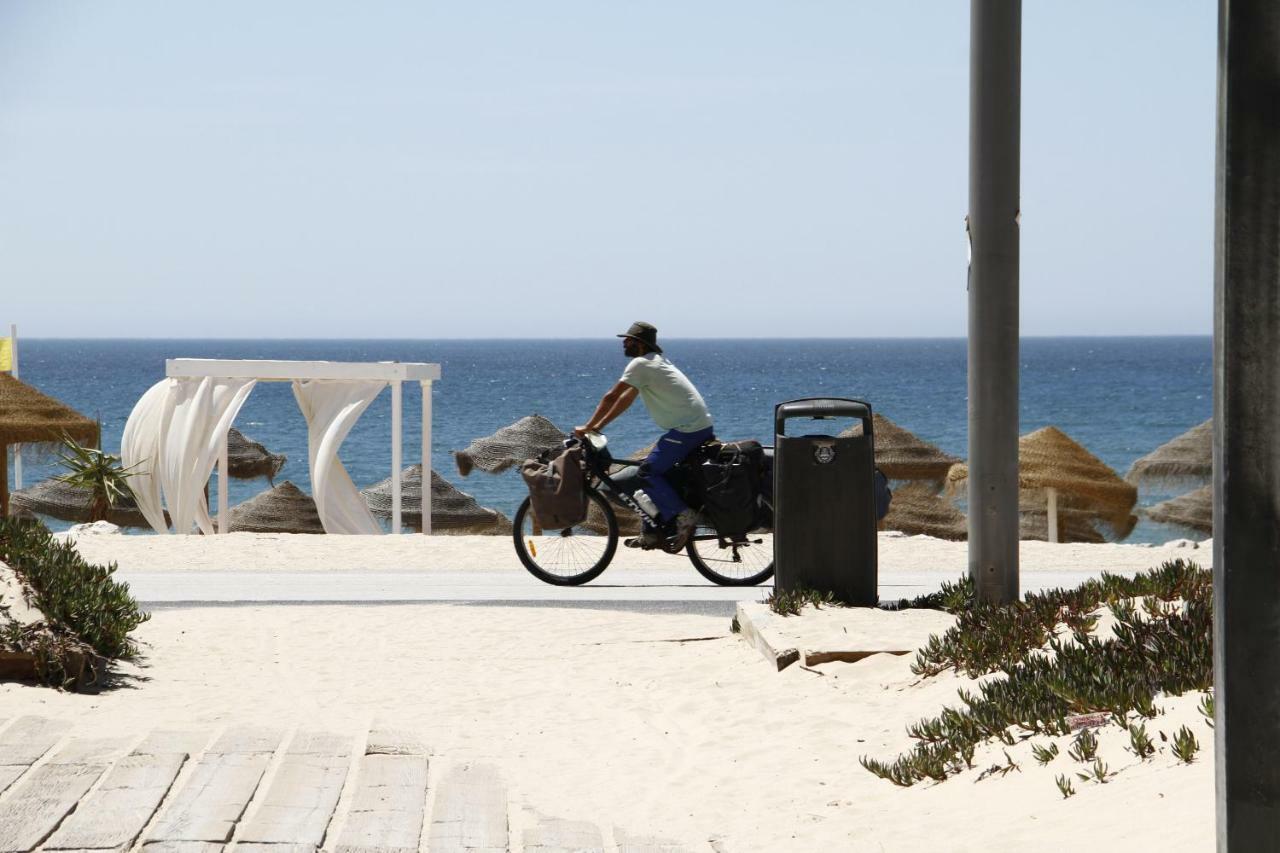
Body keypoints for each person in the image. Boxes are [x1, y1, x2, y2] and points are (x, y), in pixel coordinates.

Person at [575, 321, 714, 549]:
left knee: (647, 472)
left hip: (688, 429)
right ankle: (651, 533)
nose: (623, 343)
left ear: (639, 344)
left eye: (628, 340)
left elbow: (611, 396)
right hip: (695, 426)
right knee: (652, 472)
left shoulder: (641, 364)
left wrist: (588, 426)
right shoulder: (652, 364)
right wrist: (598, 426)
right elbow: (625, 399)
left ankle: (685, 516)